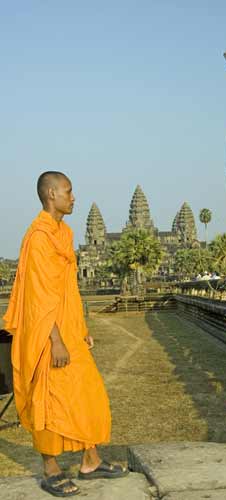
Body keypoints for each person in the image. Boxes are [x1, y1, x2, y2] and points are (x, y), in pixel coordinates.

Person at [3, 172, 128, 497]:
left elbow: (66, 290)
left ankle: (90, 460)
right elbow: (40, 296)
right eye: (69, 192)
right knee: (50, 401)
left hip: (68, 329)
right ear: (51, 194)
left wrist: (80, 329)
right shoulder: (39, 238)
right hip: (48, 335)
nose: (74, 198)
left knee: (87, 394)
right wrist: (55, 339)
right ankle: (50, 468)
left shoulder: (63, 232)